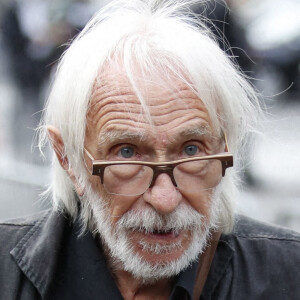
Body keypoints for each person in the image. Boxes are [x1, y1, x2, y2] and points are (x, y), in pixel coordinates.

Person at [1, 1, 300, 299]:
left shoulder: (288, 274)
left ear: (226, 147)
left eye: (192, 150)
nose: (165, 200)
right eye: (127, 152)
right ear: (68, 158)